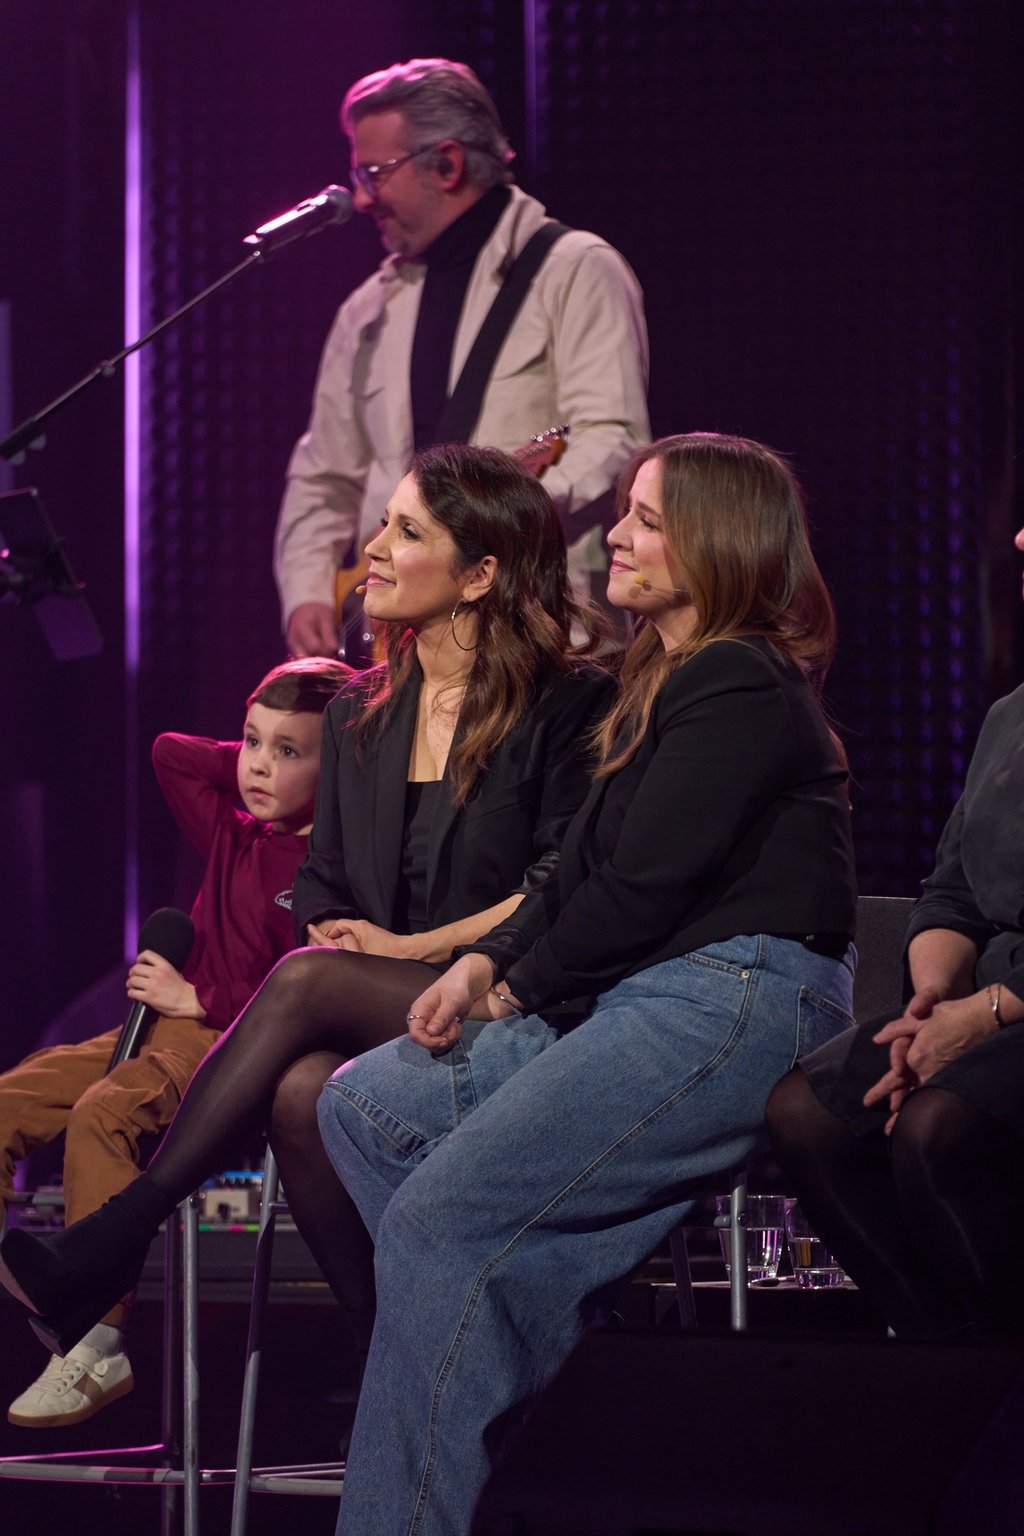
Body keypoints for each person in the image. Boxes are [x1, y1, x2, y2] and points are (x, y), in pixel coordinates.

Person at [306, 431, 858, 1535]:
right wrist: (482, 963)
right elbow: (575, 872)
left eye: (650, 519)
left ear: (719, 542)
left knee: (437, 1229)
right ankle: (527, 1384)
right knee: (364, 1106)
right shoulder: (654, 678)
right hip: (642, 995)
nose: (616, 532)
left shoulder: (740, 676)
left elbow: (643, 885)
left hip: (731, 997)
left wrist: (517, 990)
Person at [0, 444, 615, 1395]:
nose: (372, 549)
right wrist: (337, 930)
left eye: (406, 532)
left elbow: (560, 882)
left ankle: (116, 1240)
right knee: (300, 1097)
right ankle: (399, 1369)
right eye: (384, 523)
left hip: (510, 1000)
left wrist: (400, 949)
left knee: (303, 985)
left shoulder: (569, 700)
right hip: (383, 1006)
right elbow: (323, 878)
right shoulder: (361, 711)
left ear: (480, 575)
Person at [0, 655, 349, 1428]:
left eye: (287, 752)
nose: (258, 765)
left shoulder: (329, 868)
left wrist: (203, 996)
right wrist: (268, 750)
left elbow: (313, 991)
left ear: (343, 764)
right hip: (162, 1026)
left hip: (230, 1043)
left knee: (105, 1111)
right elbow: (169, 751)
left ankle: (96, 1341)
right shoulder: (234, 828)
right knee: (11, 1100)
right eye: (252, 742)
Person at [274, 56, 650, 658]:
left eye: (375, 172)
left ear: (446, 163)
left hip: (540, 638)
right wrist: (307, 593)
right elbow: (324, 473)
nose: (364, 198)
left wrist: (498, 519)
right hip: (400, 650)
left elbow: (615, 440)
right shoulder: (367, 309)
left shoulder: (578, 269)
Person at [767, 524, 1024, 1341]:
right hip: (985, 1002)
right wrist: (928, 1008)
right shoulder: (1010, 717)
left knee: (934, 1127)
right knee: (809, 1108)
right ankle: (941, 1367)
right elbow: (951, 890)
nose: (1016, 535)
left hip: (1012, 1009)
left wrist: (981, 1017)